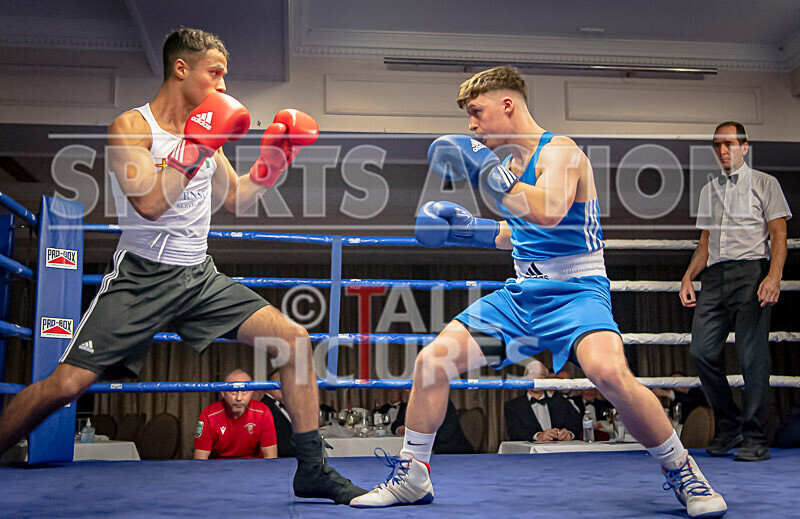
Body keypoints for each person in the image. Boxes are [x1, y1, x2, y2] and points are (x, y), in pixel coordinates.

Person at [0, 28, 365, 505]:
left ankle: (314, 470)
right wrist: (197, 146)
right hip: (140, 278)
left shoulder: (206, 131)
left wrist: (278, 159)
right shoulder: (132, 127)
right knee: (65, 386)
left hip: (198, 276)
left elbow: (236, 197)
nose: (222, 84)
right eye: (214, 73)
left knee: (293, 339)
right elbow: (150, 203)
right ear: (181, 68)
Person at [350, 66, 726, 518]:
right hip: (522, 301)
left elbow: (548, 211)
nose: (471, 125)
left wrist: (486, 173)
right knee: (433, 361)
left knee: (608, 373)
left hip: (577, 294)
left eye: (476, 112)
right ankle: (412, 476)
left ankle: (684, 471)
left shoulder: (561, 152)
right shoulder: (509, 166)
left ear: (507, 105)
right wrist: (468, 230)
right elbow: (521, 231)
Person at [680, 121, 791, 463]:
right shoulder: (708, 190)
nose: (723, 150)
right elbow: (704, 244)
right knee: (700, 351)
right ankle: (730, 424)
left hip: (750, 272)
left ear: (744, 146)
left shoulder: (764, 183)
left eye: (729, 143)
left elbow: (779, 237)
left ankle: (756, 437)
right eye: (717, 145)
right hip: (714, 277)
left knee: (752, 357)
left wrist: (774, 277)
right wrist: (687, 278)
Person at [194, 369, 277, 459]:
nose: (239, 398)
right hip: (219, 468)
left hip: (253, 468)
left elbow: (270, 457)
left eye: (244, 392)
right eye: (233, 392)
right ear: (223, 392)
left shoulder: (262, 412)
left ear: (252, 392)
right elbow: (200, 459)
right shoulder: (209, 414)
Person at [504, 360, 581, 442]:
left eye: (540, 375)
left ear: (546, 379)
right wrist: (538, 436)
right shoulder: (512, 406)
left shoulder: (561, 402)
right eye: (532, 374)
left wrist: (569, 434)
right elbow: (514, 432)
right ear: (524, 379)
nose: (536, 379)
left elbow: (576, 426)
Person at [390, 390, 474, 454]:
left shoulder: (442, 402)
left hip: (455, 453)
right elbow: (395, 425)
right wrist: (399, 429)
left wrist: (419, 430)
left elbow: (445, 434)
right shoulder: (412, 405)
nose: (408, 391)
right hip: (430, 455)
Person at [260, 369, 296, 457]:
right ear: (268, 386)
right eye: (280, 383)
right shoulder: (265, 407)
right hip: (279, 460)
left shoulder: (284, 406)